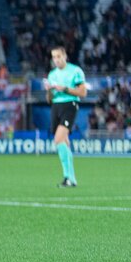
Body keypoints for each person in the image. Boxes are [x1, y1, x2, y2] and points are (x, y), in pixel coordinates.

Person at [44, 46, 86, 187]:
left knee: (58, 139)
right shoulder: (52, 74)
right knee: (64, 142)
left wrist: (65, 89)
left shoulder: (75, 71)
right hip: (56, 107)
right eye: (53, 57)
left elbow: (83, 93)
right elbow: (49, 99)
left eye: (58, 56)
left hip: (70, 105)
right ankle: (70, 178)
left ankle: (68, 177)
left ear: (65, 56)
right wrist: (49, 90)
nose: (56, 60)